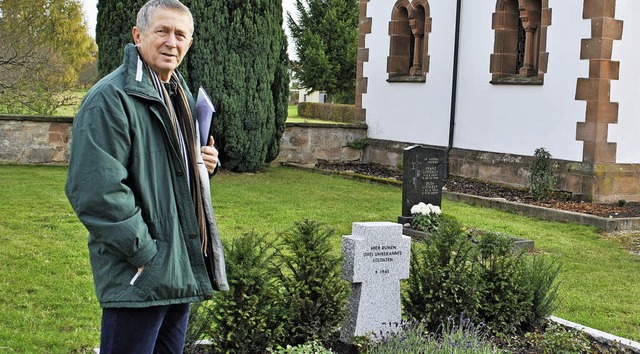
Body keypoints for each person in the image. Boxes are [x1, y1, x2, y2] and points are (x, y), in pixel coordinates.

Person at [65, 0, 228, 352]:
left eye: (181, 34)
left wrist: (201, 166)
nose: (172, 42)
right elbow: (96, 191)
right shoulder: (110, 99)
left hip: (178, 266)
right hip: (140, 275)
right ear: (138, 35)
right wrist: (146, 257)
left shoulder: (177, 94)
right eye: (163, 31)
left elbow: (167, 174)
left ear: (189, 43)